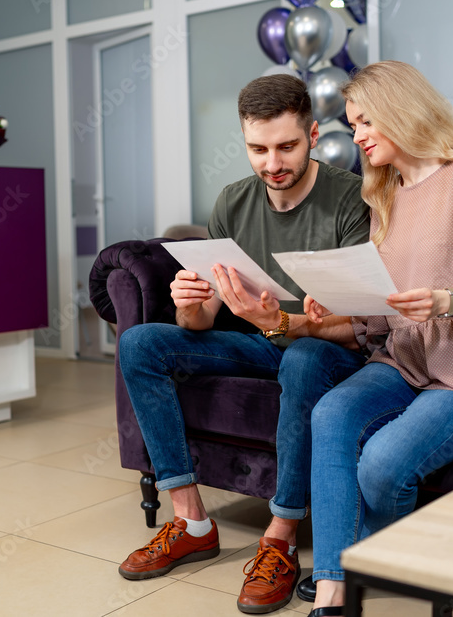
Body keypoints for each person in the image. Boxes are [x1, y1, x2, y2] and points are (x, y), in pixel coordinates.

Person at [117, 73, 371, 614]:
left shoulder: (353, 198)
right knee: (141, 343)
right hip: (257, 342)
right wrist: (188, 300)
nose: (271, 162)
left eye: (286, 146)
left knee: (302, 357)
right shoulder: (233, 201)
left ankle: (278, 540)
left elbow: (363, 322)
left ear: (313, 134)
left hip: (324, 348)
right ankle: (191, 522)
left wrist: (286, 320)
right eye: (257, 148)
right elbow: (201, 321)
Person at [301, 61, 453, 617]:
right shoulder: (384, 193)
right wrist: (329, 308)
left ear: (397, 113)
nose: (355, 136)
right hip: (405, 357)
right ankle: (334, 588)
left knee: (382, 468)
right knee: (332, 413)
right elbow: (383, 316)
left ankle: (398, 565)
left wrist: (445, 300)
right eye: (351, 124)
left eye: (362, 122)